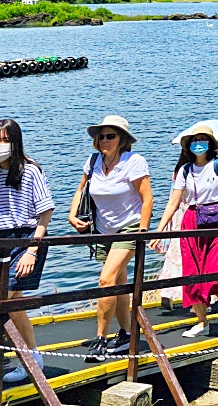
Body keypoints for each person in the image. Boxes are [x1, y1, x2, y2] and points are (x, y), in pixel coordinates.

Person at [0, 121, 54, 398]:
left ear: (15, 141)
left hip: (27, 239)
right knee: (14, 305)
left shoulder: (30, 170)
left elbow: (45, 211)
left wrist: (32, 249)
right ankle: (34, 361)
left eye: (3, 139)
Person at [69, 116, 153, 363]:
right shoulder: (94, 160)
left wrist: (144, 230)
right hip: (103, 229)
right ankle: (126, 334)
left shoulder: (133, 162)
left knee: (106, 280)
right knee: (118, 280)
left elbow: (147, 198)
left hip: (130, 226)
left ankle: (101, 340)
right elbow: (81, 189)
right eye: (102, 136)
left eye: (111, 136)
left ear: (122, 139)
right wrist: (72, 215)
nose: (105, 140)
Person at [150, 124, 218, 338]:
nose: (198, 144)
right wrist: (159, 231)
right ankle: (202, 322)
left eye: (202, 139)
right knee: (193, 273)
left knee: (216, 269)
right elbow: (173, 203)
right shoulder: (185, 170)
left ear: (210, 143)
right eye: (194, 140)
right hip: (192, 221)